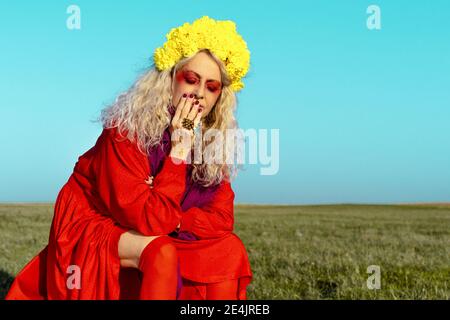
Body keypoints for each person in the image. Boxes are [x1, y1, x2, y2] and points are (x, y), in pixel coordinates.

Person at [5, 16, 252, 300]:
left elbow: (221, 218)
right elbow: (149, 220)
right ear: (169, 79)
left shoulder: (210, 141)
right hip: (95, 220)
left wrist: (178, 220)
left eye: (211, 87)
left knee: (228, 249)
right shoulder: (126, 130)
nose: (198, 94)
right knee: (161, 251)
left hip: (162, 222)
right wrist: (178, 153)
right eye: (191, 79)